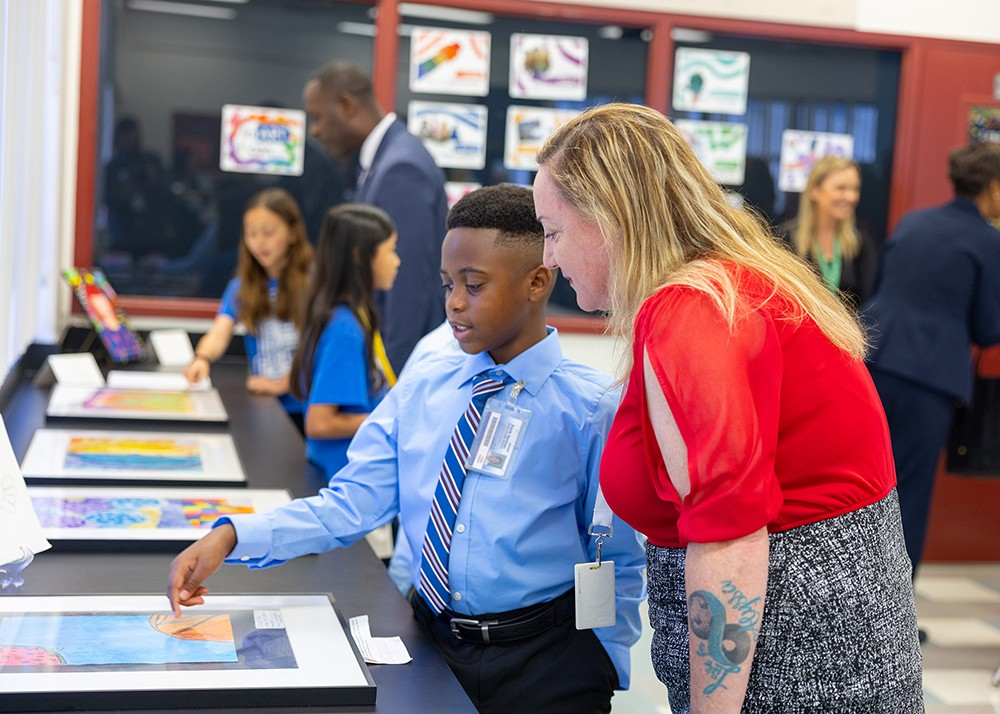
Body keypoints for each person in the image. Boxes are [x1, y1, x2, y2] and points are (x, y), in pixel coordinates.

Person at [166, 183, 645, 714]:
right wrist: (234, 535)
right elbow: (351, 503)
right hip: (431, 646)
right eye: (446, 285)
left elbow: (614, 553)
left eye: (475, 285)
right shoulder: (422, 386)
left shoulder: (591, 407)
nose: (455, 303)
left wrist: (605, 662)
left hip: (547, 663)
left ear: (536, 281)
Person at [534, 103, 922, 712]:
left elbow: (729, 536)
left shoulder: (691, 311)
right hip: (837, 631)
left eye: (553, 232)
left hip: (789, 661)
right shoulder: (735, 282)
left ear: (610, 219)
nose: (549, 258)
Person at [862, 142, 1000, 585]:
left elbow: (881, 288)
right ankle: (894, 615)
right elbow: (987, 327)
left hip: (871, 359)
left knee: (865, 486)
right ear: (994, 189)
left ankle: (850, 601)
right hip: (929, 378)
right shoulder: (987, 241)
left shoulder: (914, 222)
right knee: (910, 494)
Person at [303, 60, 448, 372]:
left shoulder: (401, 168)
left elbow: (407, 287)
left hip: (400, 364)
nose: (314, 131)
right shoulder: (380, 161)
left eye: (317, 118)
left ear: (345, 105)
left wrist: (391, 383)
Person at [183, 187, 313, 432]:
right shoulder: (241, 287)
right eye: (251, 234)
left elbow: (322, 346)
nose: (259, 243)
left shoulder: (313, 284)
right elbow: (220, 331)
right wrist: (202, 359)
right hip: (266, 405)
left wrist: (286, 383)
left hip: (307, 408)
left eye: (268, 233)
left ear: (293, 232)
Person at [288, 203, 399, 473]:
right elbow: (320, 423)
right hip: (344, 476)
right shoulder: (345, 330)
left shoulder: (352, 315)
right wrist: (396, 421)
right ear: (360, 256)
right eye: (390, 251)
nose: (397, 261)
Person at [779, 155, 878, 309]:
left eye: (855, 189)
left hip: (847, 331)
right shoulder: (787, 239)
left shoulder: (860, 242)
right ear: (815, 191)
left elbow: (869, 303)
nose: (851, 197)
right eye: (841, 188)